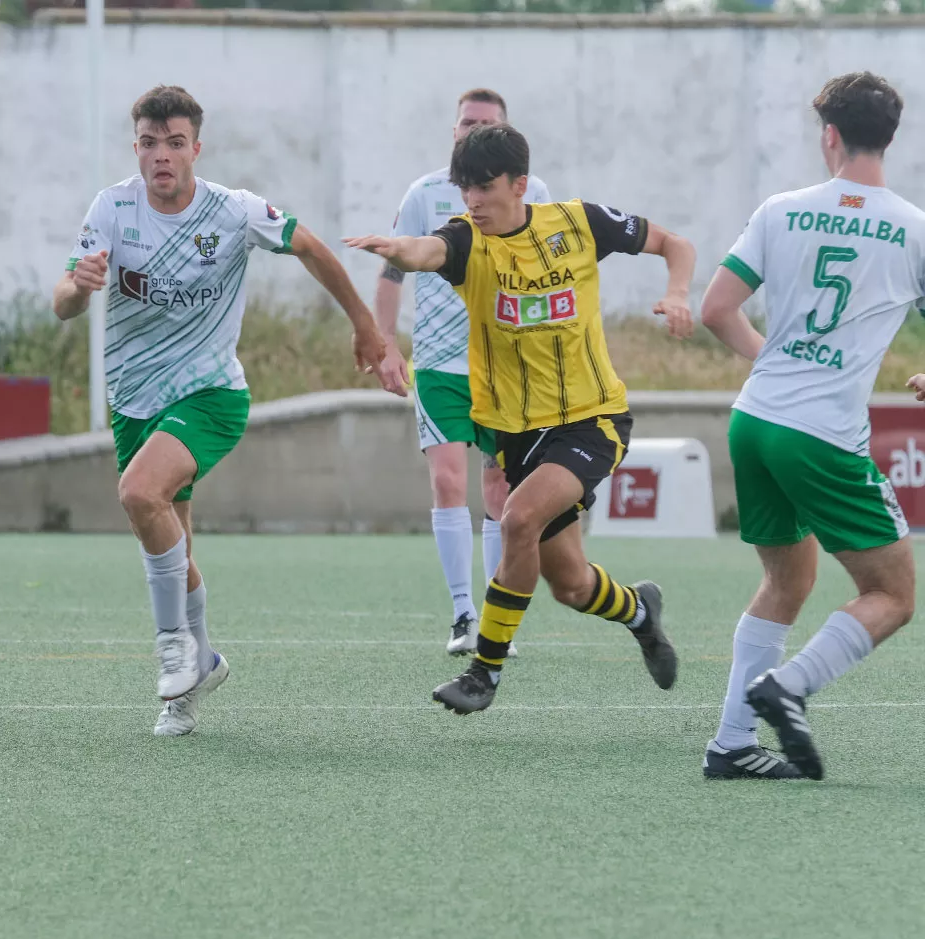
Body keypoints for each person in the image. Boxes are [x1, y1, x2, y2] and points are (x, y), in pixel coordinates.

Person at [53, 84, 393, 737]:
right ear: (137, 148)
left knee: (137, 493)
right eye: (150, 143)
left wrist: (366, 327)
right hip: (135, 402)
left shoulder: (232, 212)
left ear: (195, 149)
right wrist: (79, 285)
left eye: (174, 143)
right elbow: (64, 299)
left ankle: (173, 650)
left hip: (211, 394)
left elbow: (311, 247)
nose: (161, 156)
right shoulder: (112, 208)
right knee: (172, 535)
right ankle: (197, 672)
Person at [346, 123, 694, 714]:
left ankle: (483, 672)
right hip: (517, 434)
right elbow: (428, 250)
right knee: (572, 585)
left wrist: (679, 293)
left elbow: (674, 245)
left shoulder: (579, 222)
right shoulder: (466, 241)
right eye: (465, 190)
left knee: (517, 519)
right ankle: (639, 610)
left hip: (593, 420)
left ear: (520, 184)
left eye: (485, 188)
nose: (473, 202)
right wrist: (398, 248)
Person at [699, 72, 921, 780]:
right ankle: (786, 688)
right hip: (822, 434)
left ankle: (731, 744)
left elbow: (715, 310)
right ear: (890, 136)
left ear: (829, 134)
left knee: (786, 582)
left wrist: (779, 366)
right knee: (893, 594)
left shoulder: (781, 209)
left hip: (755, 420)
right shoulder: (914, 228)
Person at [376, 88, 551, 655]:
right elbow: (392, 275)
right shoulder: (425, 193)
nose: (474, 131)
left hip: (509, 367)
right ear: (454, 131)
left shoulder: (536, 195)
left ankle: (496, 621)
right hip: (441, 367)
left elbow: (553, 273)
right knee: (448, 480)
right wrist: (386, 345)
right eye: (467, 123)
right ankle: (461, 615)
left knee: (502, 489)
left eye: (487, 124)